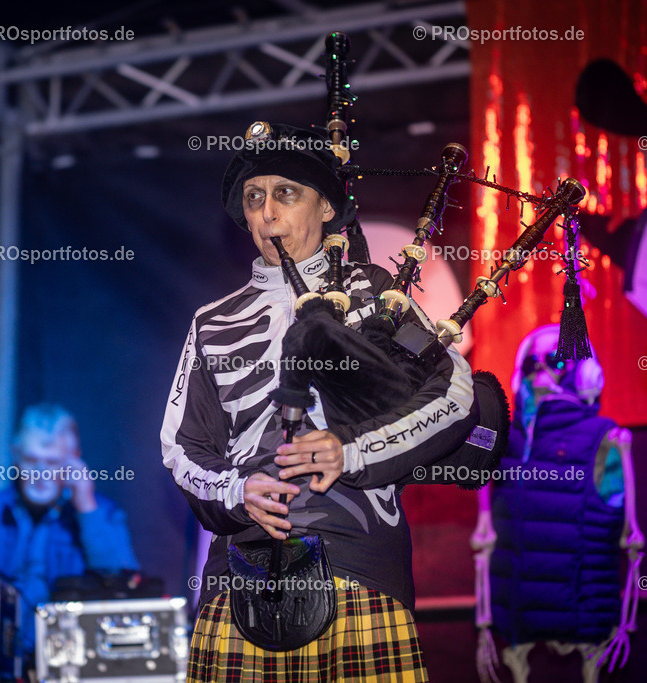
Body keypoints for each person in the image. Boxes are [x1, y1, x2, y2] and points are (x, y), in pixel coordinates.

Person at [161, 122, 481, 682]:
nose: (267, 213)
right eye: (254, 197)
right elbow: (181, 448)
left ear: (327, 207)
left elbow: (455, 393)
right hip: (240, 578)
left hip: (358, 567)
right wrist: (237, 490)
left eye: (286, 193)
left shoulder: (378, 298)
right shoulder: (211, 322)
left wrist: (352, 450)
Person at [470, 325, 644, 683]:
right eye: (531, 363)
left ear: (585, 372)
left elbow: (631, 540)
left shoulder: (605, 439)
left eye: (556, 360)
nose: (541, 370)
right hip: (514, 627)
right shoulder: (505, 440)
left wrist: (625, 623)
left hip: (586, 624)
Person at [0, 403, 139, 652]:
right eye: (31, 460)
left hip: (71, 659)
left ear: (74, 461)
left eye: (52, 462)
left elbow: (126, 590)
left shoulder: (102, 514)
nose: (41, 473)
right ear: (15, 456)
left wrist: (86, 507)